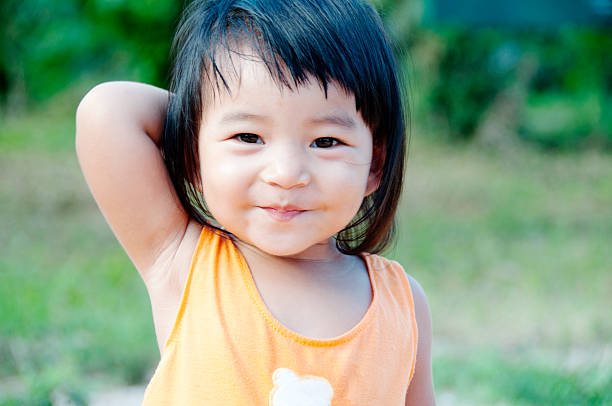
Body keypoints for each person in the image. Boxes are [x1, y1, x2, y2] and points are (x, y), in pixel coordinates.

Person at [75, 0, 435, 404]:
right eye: (248, 138)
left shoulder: (401, 303)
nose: (285, 173)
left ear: (375, 164)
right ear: (193, 153)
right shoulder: (185, 263)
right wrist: (201, 121)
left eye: (326, 141)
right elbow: (106, 112)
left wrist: (226, 130)